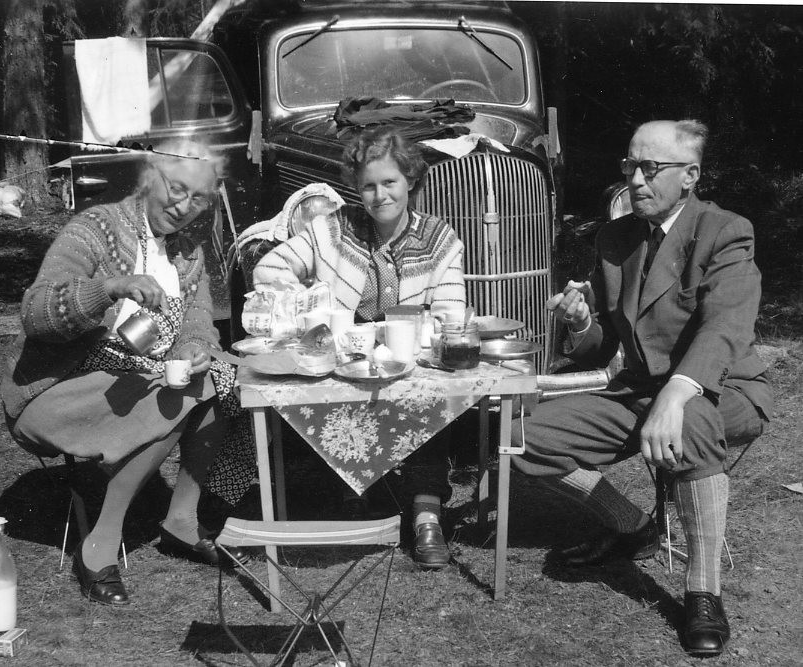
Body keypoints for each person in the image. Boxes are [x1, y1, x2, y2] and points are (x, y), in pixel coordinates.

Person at [511, 120, 772, 655]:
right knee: (521, 436)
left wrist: (677, 394)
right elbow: (607, 343)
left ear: (690, 176)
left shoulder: (726, 231)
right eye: (630, 165)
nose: (636, 179)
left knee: (693, 421)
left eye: (651, 168)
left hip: (725, 390)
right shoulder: (616, 238)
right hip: (639, 394)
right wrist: (582, 323)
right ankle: (633, 527)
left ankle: (702, 591)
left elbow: (725, 327)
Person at [1, 142, 251, 606]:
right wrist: (109, 288)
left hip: (134, 382)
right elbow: (36, 313)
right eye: (176, 189)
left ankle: (182, 520)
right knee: (176, 394)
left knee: (219, 380)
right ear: (149, 177)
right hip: (57, 388)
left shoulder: (188, 255)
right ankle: (98, 544)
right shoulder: (95, 230)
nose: (183, 206)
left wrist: (197, 350)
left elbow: (198, 325)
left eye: (198, 198)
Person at [253, 125, 466, 569]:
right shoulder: (331, 230)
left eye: (389, 182)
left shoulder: (440, 241)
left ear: (410, 180)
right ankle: (356, 496)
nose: (379, 195)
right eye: (368, 186)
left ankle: (427, 515)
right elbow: (270, 266)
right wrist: (311, 304)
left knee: (428, 401)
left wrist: (416, 335)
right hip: (343, 366)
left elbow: (451, 317)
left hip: (410, 366)